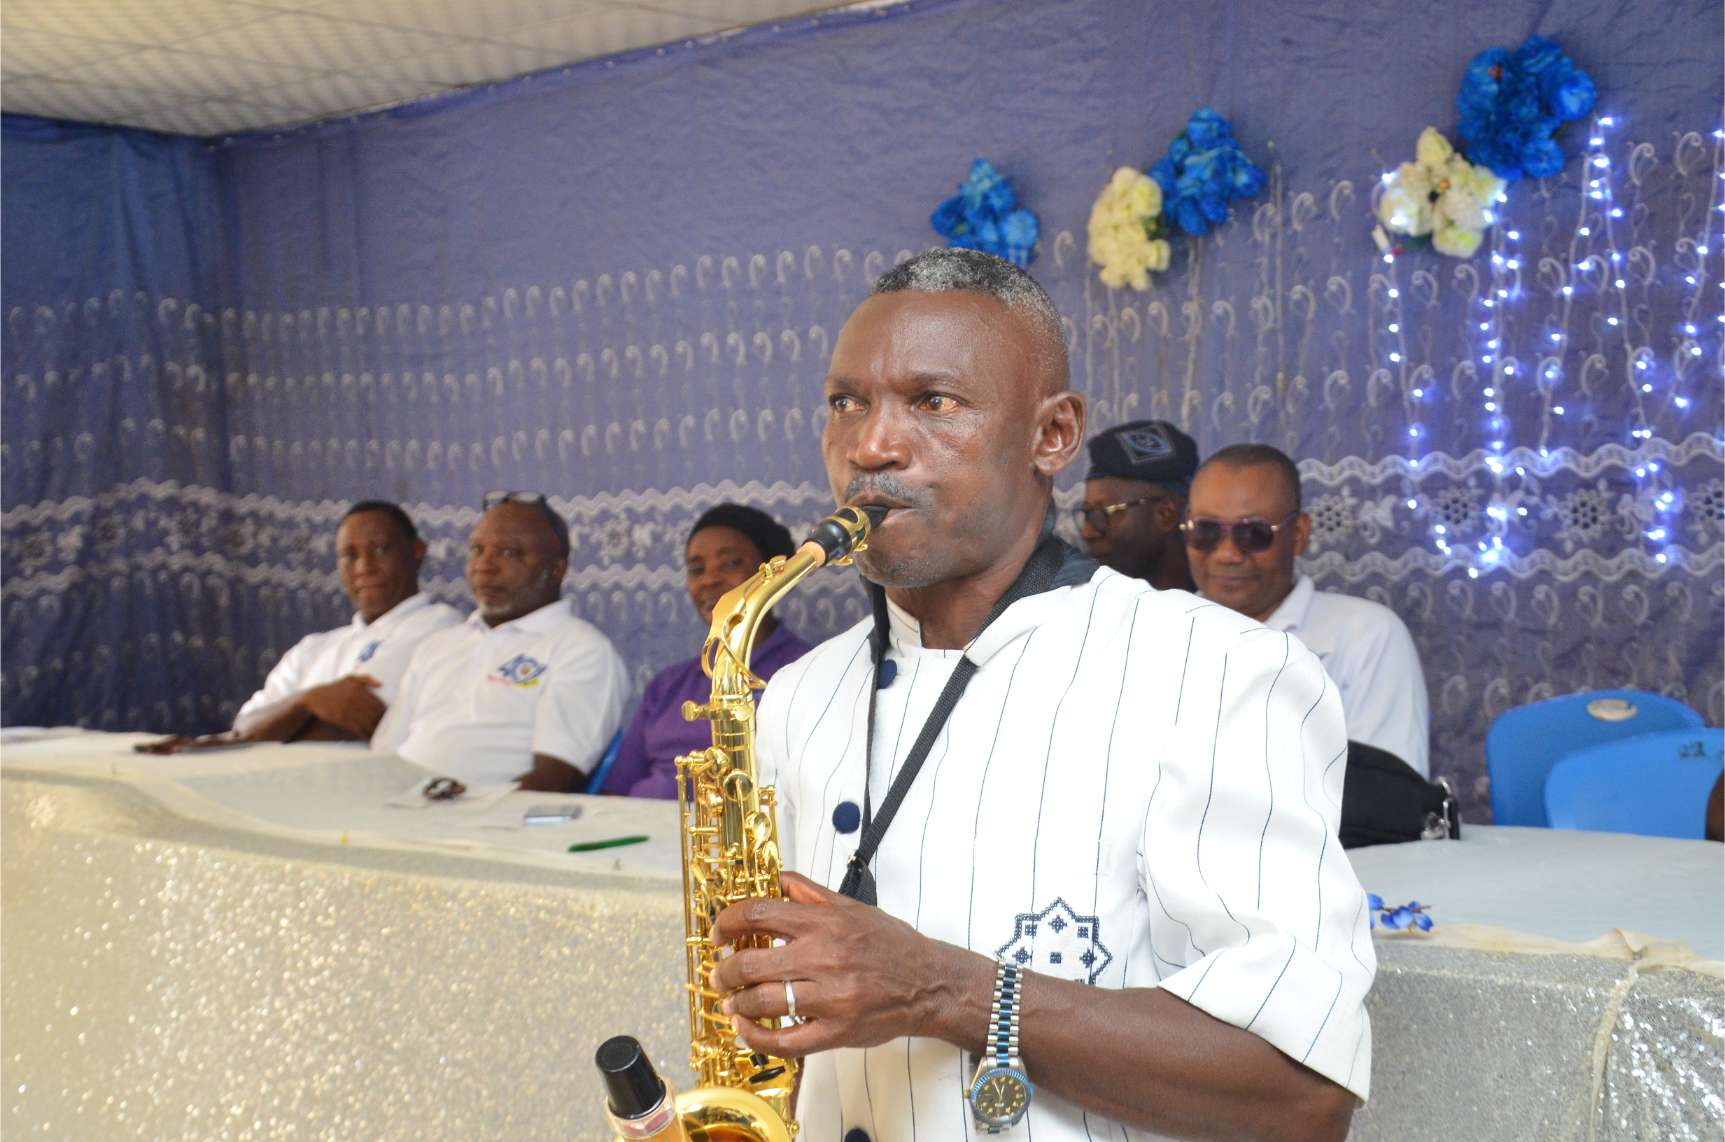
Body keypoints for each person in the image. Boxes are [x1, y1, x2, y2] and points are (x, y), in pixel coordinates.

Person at [708, 250, 1372, 1141]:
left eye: (932, 401)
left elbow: (1300, 1093)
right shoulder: (797, 693)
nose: (870, 446)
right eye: (846, 403)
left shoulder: (1220, 671)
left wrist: (942, 990)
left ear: (1052, 435)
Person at [1183, 444, 1433, 777]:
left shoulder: (1367, 637)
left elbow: (1388, 794)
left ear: (1298, 535)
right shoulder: (1154, 636)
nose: (1227, 554)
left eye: (1253, 534)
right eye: (1206, 531)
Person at [137, 500, 460, 753]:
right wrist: (310, 700)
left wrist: (267, 728)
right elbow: (245, 725)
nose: (365, 567)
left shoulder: (440, 627)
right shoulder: (314, 647)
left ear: (416, 552)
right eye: (350, 555)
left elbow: (354, 722)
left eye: (380, 549)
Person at [371, 493, 629, 792]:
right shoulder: (437, 645)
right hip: (395, 807)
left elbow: (556, 779)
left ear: (557, 569)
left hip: (489, 816)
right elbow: (383, 756)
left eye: (510, 553)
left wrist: (464, 805)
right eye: (477, 550)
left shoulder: (581, 650)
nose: (485, 565)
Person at [601, 504, 812, 800]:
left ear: (773, 577)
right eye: (697, 570)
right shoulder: (667, 685)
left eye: (730, 564)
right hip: (641, 823)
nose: (709, 580)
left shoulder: (809, 673)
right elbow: (615, 792)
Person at [1077, 419, 1199, 591]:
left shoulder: (1218, 603)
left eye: (1104, 513)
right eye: (1087, 513)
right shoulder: (1080, 602)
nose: (1087, 533)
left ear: (1166, 515)